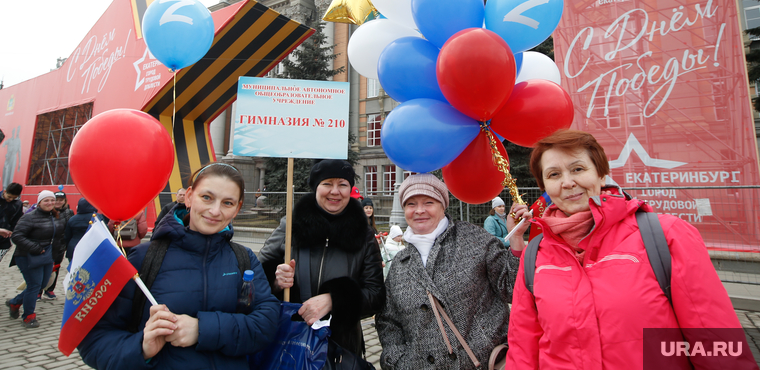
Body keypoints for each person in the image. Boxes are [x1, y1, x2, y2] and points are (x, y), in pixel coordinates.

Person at [506, 130, 749, 369]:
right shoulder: (535, 254)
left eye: (578, 169)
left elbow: (716, 344)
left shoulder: (666, 235)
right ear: (545, 186)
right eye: (554, 174)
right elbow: (523, 348)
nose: (567, 182)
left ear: (601, 175)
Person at [78, 162, 280, 370]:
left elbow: (266, 323)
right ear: (190, 197)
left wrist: (201, 329)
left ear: (237, 209)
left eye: (228, 203)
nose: (215, 211)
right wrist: (142, 348)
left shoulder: (243, 258)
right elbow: (95, 340)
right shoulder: (144, 258)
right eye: (207, 198)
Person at [376, 174, 529, 369]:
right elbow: (388, 321)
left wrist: (516, 238)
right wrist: (399, 361)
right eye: (411, 204)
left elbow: (513, 289)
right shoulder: (399, 263)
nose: (419, 210)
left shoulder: (474, 240)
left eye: (428, 202)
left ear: (443, 205)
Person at [259, 159, 385, 356]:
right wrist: (276, 281)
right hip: (290, 344)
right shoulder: (291, 225)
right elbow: (257, 276)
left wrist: (335, 300)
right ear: (316, 187)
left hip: (341, 349)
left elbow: (376, 294)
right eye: (327, 183)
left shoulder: (364, 234)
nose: (335, 191)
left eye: (342, 185)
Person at [6, 190, 65, 328]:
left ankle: (15, 302)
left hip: (46, 256)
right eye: (46, 200)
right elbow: (17, 236)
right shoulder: (29, 217)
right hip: (27, 256)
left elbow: (58, 237)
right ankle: (29, 316)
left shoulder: (56, 216)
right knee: (34, 285)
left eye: (52, 200)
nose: (50, 203)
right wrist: (35, 248)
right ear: (39, 202)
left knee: (42, 284)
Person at [40, 191, 73, 300]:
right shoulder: (47, 211)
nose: (58, 202)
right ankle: (38, 290)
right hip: (45, 244)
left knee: (55, 267)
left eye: (61, 200)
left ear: (64, 201)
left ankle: (49, 289)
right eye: (56, 200)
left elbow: (69, 228)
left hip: (60, 244)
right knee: (42, 267)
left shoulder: (68, 212)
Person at [0, 182, 24, 263]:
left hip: (4, 239)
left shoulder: (18, 204)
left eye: (14, 198)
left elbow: (17, 220)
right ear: (4, 191)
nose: (10, 200)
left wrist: (12, 231)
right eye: (9, 197)